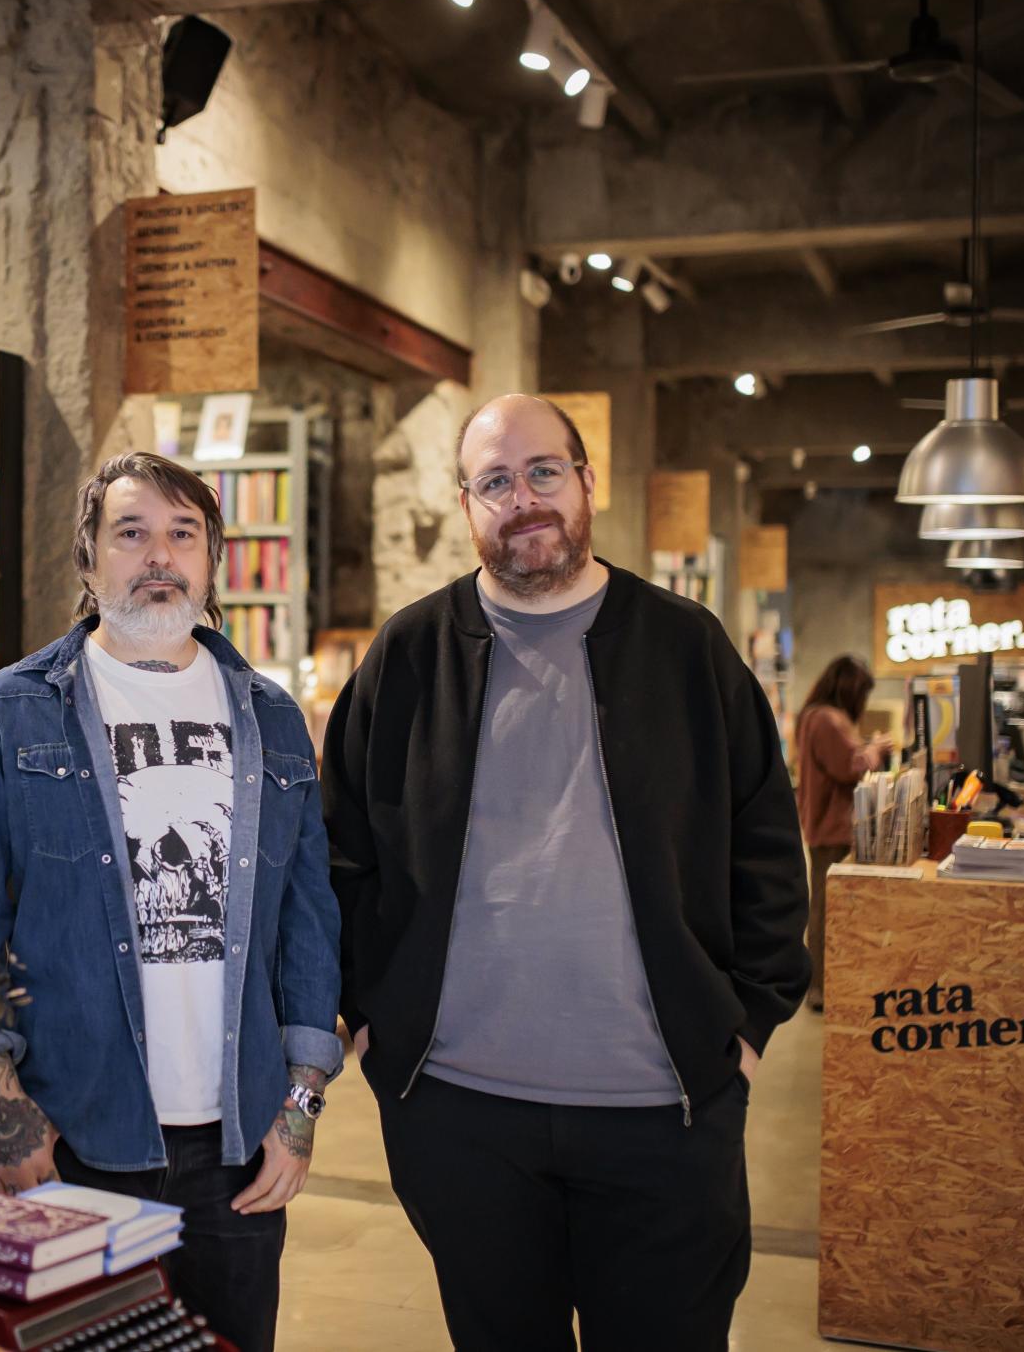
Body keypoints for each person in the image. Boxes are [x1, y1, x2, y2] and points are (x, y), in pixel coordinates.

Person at [322, 394, 811, 1351]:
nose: (524, 499)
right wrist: (371, 1020)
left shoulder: (686, 647)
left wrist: (744, 1027)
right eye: (495, 481)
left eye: (545, 471)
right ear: (468, 503)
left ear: (588, 482)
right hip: (461, 1116)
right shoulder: (409, 655)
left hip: (661, 1111)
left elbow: (765, 846)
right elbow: (342, 851)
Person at [0, 452, 343, 1352]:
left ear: (212, 563)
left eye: (181, 533)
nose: (158, 555)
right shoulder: (16, 710)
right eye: (131, 533)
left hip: (239, 1145)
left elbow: (308, 918)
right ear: (88, 563)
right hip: (74, 1130)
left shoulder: (271, 718)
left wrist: (300, 1109)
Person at [793, 656, 893, 1011]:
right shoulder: (827, 719)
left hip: (825, 826)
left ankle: (821, 984)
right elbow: (847, 767)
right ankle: (820, 988)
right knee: (826, 910)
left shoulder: (814, 716)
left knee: (824, 906)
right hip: (833, 827)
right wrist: (875, 750)